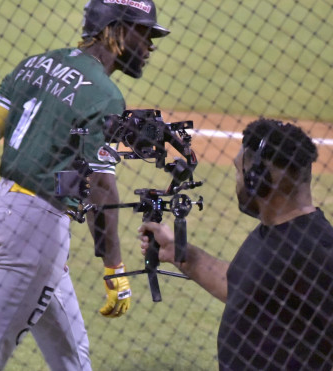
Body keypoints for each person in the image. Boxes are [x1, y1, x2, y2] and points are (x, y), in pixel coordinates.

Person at [0, 0, 170, 370]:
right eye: (145, 34)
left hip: (3, 213)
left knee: (71, 355)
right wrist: (115, 267)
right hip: (32, 237)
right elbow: (101, 189)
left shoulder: (34, 65)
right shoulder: (104, 95)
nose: (150, 46)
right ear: (115, 30)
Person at [139, 118, 333, 370]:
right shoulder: (272, 231)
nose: (237, 180)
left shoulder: (317, 251)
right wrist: (181, 253)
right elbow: (243, 287)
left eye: (239, 172)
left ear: (259, 179)